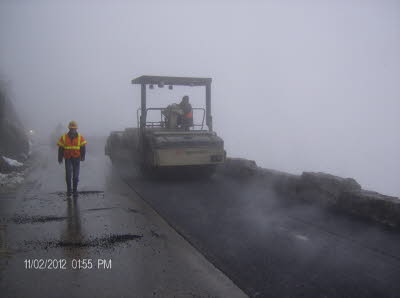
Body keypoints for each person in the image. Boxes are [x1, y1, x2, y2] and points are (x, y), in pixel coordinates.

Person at [57, 121, 87, 197]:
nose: (73, 130)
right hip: (68, 158)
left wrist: (83, 156)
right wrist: (60, 157)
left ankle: (75, 191)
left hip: (76, 158)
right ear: (69, 128)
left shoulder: (80, 137)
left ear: (76, 129)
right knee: (68, 174)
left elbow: (83, 147)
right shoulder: (64, 137)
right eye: (71, 128)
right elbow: (61, 148)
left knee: (76, 176)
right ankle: (69, 190)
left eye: (74, 129)